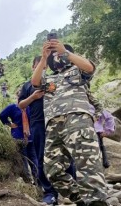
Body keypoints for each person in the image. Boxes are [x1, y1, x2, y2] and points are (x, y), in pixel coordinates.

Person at [31, 39, 108, 205]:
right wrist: (44, 58)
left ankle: (96, 202)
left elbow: (90, 67)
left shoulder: (77, 71)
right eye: (55, 56)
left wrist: (64, 51)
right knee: (52, 171)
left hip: (78, 121)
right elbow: (35, 82)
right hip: (53, 126)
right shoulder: (50, 78)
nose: (57, 58)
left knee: (88, 168)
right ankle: (80, 199)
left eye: (59, 55)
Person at [18, 56, 59, 205]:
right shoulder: (27, 86)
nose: (41, 68)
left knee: (62, 156)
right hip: (37, 123)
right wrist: (33, 97)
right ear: (33, 67)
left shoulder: (52, 81)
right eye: (37, 66)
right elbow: (21, 105)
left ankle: (69, 189)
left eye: (43, 66)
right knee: (40, 157)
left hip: (56, 122)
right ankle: (49, 192)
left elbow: (57, 92)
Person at [0, 90, 38, 184]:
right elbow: (2, 115)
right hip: (19, 138)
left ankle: (37, 180)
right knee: (23, 159)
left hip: (31, 137)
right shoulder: (12, 107)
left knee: (33, 159)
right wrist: (9, 124)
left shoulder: (30, 107)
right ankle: (28, 181)